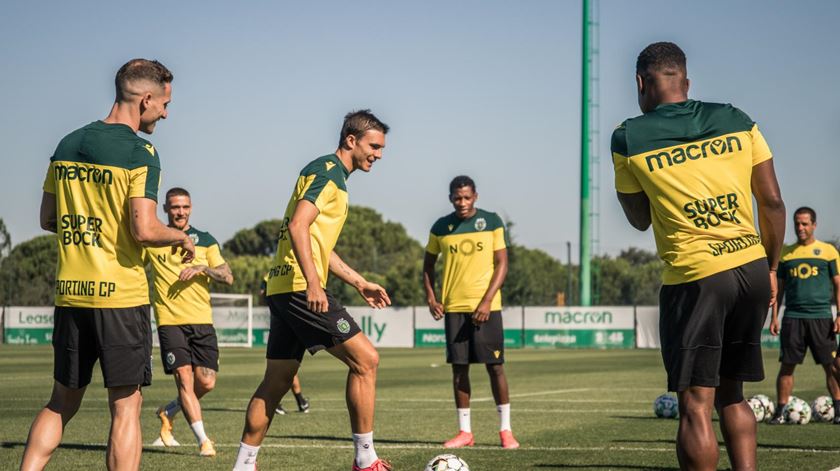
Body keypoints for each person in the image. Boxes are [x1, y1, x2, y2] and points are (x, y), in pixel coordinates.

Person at [611, 42, 785, 470]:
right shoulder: (737, 119)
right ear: (686, 82)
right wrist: (773, 267)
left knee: (693, 404)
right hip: (751, 267)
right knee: (733, 394)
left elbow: (638, 219)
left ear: (640, 83)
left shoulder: (629, 136)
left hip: (697, 277)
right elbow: (774, 203)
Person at [22, 59, 195, 471]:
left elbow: (48, 218)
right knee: (126, 408)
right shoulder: (140, 151)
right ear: (146, 99)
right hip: (120, 297)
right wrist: (181, 237)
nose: (166, 113)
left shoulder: (67, 143)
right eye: (165, 104)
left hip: (71, 294)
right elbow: (144, 229)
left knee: (61, 402)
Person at [233, 110, 392, 471]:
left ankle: (243, 465)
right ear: (351, 140)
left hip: (282, 286)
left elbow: (317, 243)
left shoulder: (325, 173)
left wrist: (359, 281)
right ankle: (366, 460)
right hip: (300, 287)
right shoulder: (328, 173)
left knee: (277, 381)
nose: (379, 155)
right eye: (374, 146)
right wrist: (315, 284)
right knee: (366, 361)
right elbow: (298, 225)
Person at [422, 175, 519, 449]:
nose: (462, 203)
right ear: (450, 197)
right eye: (457, 198)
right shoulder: (441, 227)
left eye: (466, 197)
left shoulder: (491, 222)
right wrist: (432, 298)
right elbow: (427, 266)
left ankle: (505, 430)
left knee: (496, 367)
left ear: (475, 195)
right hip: (454, 308)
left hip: (487, 308)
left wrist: (487, 300)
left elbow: (502, 264)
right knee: (459, 370)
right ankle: (465, 432)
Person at [146, 187, 234, 455]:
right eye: (174, 207)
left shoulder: (205, 240)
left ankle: (168, 410)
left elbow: (227, 275)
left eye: (184, 207)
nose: (180, 212)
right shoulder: (153, 238)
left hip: (202, 322)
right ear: (165, 210)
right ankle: (203, 441)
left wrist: (203, 268)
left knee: (206, 383)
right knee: (184, 379)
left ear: (191, 208)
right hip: (170, 321)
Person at [768, 207, 840, 424]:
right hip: (793, 317)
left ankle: (838, 410)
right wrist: (774, 317)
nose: (800, 228)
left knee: (832, 365)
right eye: (797, 223)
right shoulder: (786, 253)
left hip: (821, 317)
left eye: (805, 224)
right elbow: (777, 289)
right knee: (787, 366)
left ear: (814, 225)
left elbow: (838, 285)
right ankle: (780, 412)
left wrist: (839, 314)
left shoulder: (828, 251)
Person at [259, 274, 311, 415]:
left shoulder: (270, 275)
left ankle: (298, 401)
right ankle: (283, 401)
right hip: (289, 318)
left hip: (282, 317)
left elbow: (262, 293)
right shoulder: (286, 272)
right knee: (283, 367)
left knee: (285, 367)